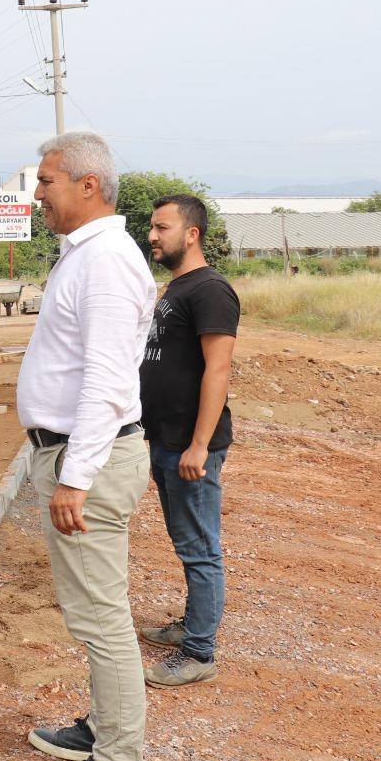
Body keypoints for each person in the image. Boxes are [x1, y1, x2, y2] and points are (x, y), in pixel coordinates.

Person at [17, 131, 156, 761]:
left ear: (87, 185)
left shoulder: (103, 262)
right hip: (79, 454)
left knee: (102, 617)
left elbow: (105, 379)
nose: (37, 193)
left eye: (46, 181)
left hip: (88, 461)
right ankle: (102, 727)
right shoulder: (87, 255)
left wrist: (75, 476)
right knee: (95, 610)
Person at [138, 194, 238, 688]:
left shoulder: (210, 290)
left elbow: (218, 370)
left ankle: (200, 652)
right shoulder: (176, 289)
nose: (152, 235)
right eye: (152, 227)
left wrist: (199, 445)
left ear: (191, 233)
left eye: (162, 227)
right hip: (166, 439)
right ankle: (191, 626)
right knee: (185, 540)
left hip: (190, 445)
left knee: (201, 548)